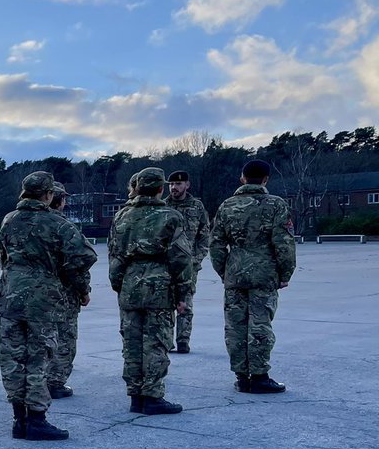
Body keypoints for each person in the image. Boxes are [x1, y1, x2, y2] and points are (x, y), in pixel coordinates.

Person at [0, 171, 97, 441]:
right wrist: (72, 282)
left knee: (13, 360)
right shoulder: (57, 223)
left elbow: (2, 256)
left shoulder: (9, 219)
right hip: (42, 301)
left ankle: (19, 419)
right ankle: (37, 419)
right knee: (39, 359)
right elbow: (84, 256)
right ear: (49, 194)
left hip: (10, 297)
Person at [107, 168, 192, 414]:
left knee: (132, 342)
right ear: (160, 189)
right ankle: (152, 396)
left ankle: (135, 395)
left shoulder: (122, 215)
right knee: (156, 342)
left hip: (130, 284)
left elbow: (114, 254)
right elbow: (181, 258)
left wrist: (119, 284)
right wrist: (182, 293)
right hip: (159, 287)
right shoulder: (171, 216)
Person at [209, 159, 296, 393]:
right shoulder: (276, 204)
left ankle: (241, 376)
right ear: (266, 179)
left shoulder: (226, 206)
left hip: (235, 274)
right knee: (260, 324)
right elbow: (284, 243)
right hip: (264, 274)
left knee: (235, 326)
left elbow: (216, 244)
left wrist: (224, 271)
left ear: (242, 178)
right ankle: (259, 376)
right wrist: (285, 272)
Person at [45, 182, 95, 399]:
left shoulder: (23, 221)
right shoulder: (65, 226)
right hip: (63, 292)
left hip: (35, 293)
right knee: (64, 337)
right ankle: (55, 382)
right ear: (61, 201)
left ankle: (37, 379)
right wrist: (84, 290)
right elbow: (80, 262)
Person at [163, 171, 211, 354]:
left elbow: (204, 236)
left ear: (187, 185)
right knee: (166, 303)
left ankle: (183, 340)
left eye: (178, 184)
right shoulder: (164, 206)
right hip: (166, 264)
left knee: (186, 302)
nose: (174, 187)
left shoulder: (197, 206)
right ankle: (167, 340)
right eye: (171, 184)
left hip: (188, 265)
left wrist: (196, 260)